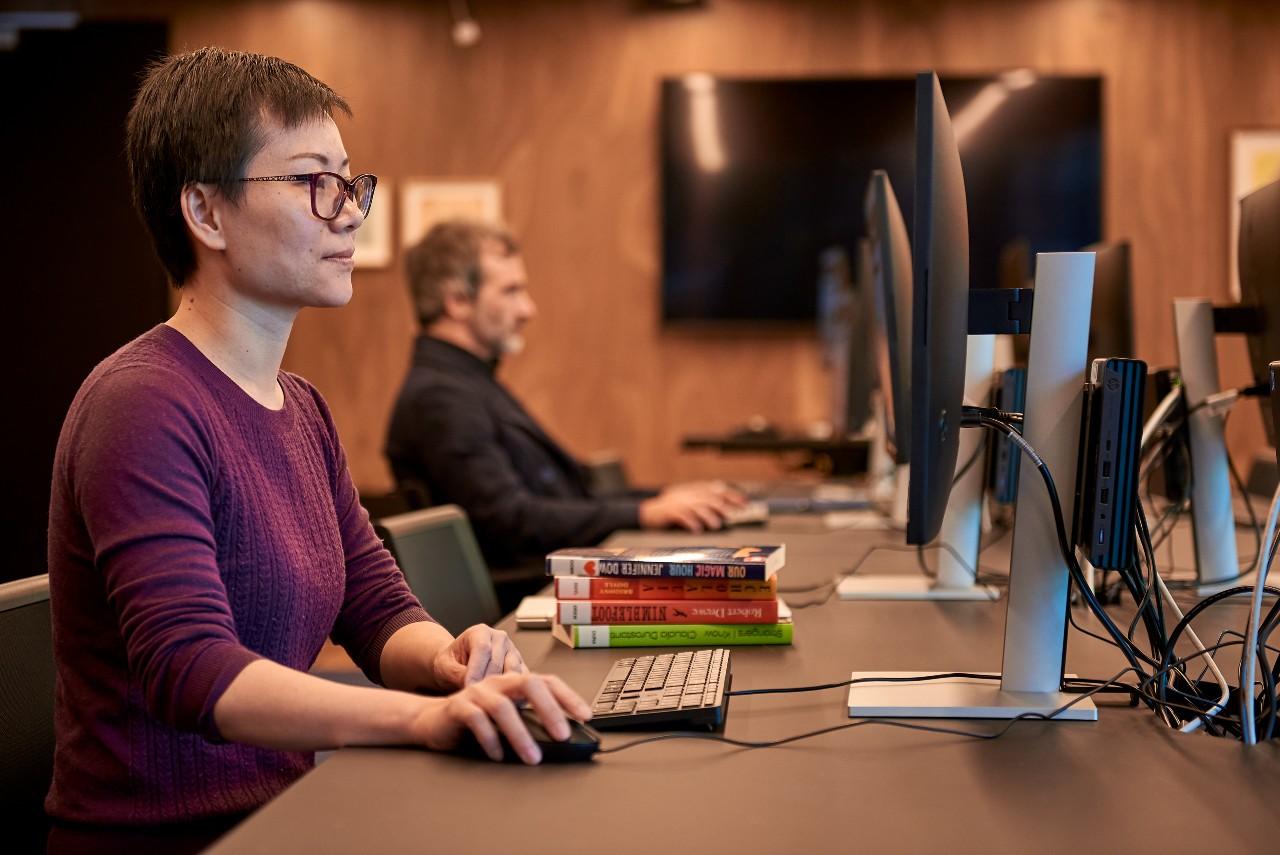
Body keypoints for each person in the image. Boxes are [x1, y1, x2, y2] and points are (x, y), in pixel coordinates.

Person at [44, 48, 590, 852]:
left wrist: (450, 659)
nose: (348, 213)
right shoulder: (141, 403)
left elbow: (376, 609)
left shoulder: (301, 408)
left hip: (284, 816)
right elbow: (190, 669)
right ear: (206, 213)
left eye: (348, 182)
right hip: (171, 837)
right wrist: (423, 718)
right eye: (311, 181)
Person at [385, 221, 746, 596]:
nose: (528, 309)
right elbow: (511, 520)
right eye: (511, 291)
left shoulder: (468, 384)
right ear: (457, 301)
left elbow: (570, 496)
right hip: (529, 598)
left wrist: (661, 499)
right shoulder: (440, 397)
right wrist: (646, 512)